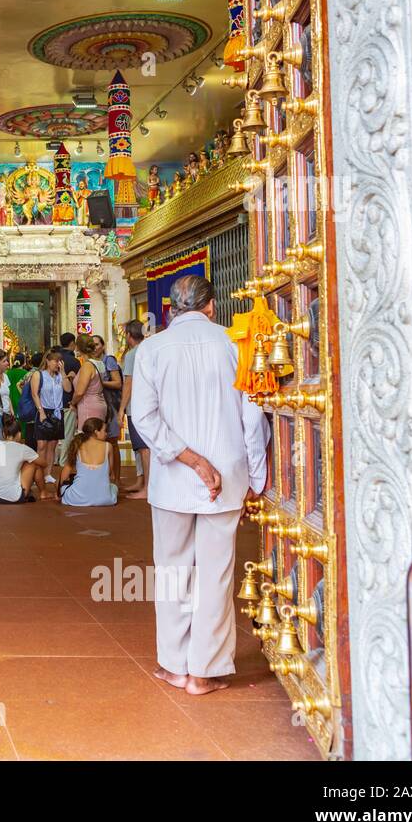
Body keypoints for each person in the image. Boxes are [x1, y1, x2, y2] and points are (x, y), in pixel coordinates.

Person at [130, 275, 269, 697]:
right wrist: (256, 479)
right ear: (211, 307)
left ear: (172, 309)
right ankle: (203, 671)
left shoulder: (151, 350)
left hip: (173, 478)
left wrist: (189, 459)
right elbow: (252, 417)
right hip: (226, 478)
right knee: (215, 573)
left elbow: (144, 418)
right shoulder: (234, 344)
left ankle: (174, 665)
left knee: (172, 571)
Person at [0, 414, 42, 504]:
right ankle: (44, 493)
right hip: (11, 496)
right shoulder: (22, 448)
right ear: (19, 434)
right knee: (31, 463)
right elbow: (43, 463)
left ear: (3, 434)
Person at [119, 319, 150, 499]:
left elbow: (128, 383)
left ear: (129, 336)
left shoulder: (132, 354)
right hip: (150, 403)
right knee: (141, 447)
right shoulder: (150, 349)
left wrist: (121, 408)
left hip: (137, 405)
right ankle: (141, 480)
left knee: (143, 447)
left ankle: (147, 486)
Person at [28, 349, 66, 495]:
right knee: (42, 444)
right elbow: (34, 393)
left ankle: (47, 473)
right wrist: (41, 411)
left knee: (53, 444)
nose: (58, 364)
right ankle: (37, 472)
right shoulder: (39, 375)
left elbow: (68, 388)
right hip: (44, 410)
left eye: (59, 361)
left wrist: (63, 374)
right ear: (48, 361)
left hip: (57, 411)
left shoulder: (58, 376)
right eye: (56, 361)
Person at [59, 417, 118, 506]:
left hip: (76, 499)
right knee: (114, 487)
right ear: (96, 432)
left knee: (59, 484)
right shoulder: (108, 446)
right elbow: (110, 473)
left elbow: (65, 472)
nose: (106, 433)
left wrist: (59, 490)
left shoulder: (77, 445)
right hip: (105, 499)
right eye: (105, 430)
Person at [92, 336, 125, 483]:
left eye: (97, 344)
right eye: (91, 345)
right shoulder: (91, 363)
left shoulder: (108, 360)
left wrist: (100, 382)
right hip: (98, 404)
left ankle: (116, 478)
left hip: (110, 404)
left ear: (103, 345)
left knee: (112, 441)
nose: (94, 347)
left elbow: (118, 383)